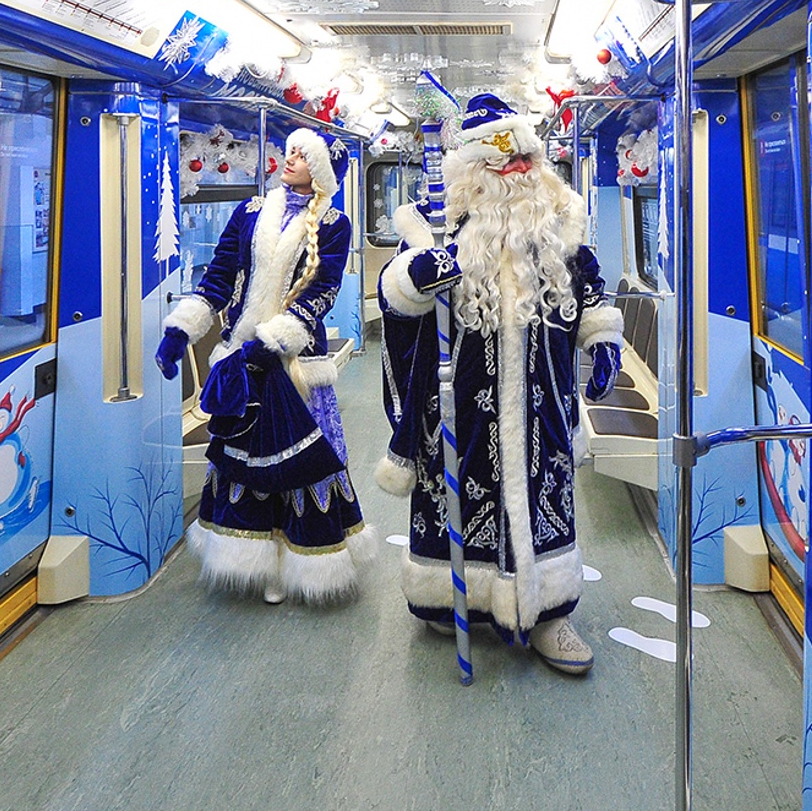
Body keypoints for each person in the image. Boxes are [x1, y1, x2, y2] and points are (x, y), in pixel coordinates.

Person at [375, 93, 624, 674]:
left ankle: (550, 613)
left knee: (545, 501)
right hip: (460, 405)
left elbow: (588, 289)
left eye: (524, 164)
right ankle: (453, 594)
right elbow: (398, 299)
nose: (517, 175)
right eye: (501, 165)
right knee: (459, 500)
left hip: (543, 401)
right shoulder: (440, 225)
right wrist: (418, 274)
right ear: (473, 175)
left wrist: (602, 338)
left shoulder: (560, 228)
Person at [155, 127, 372, 604]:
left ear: (319, 170)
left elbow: (323, 290)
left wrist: (274, 341)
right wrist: (182, 330)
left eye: (301, 155)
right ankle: (256, 558)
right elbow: (219, 274)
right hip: (241, 353)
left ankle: (299, 555)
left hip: (295, 361)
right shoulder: (250, 212)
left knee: (299, 459)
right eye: (289, 151)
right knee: (243, 458)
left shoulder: (335, 223)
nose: (288, 159)